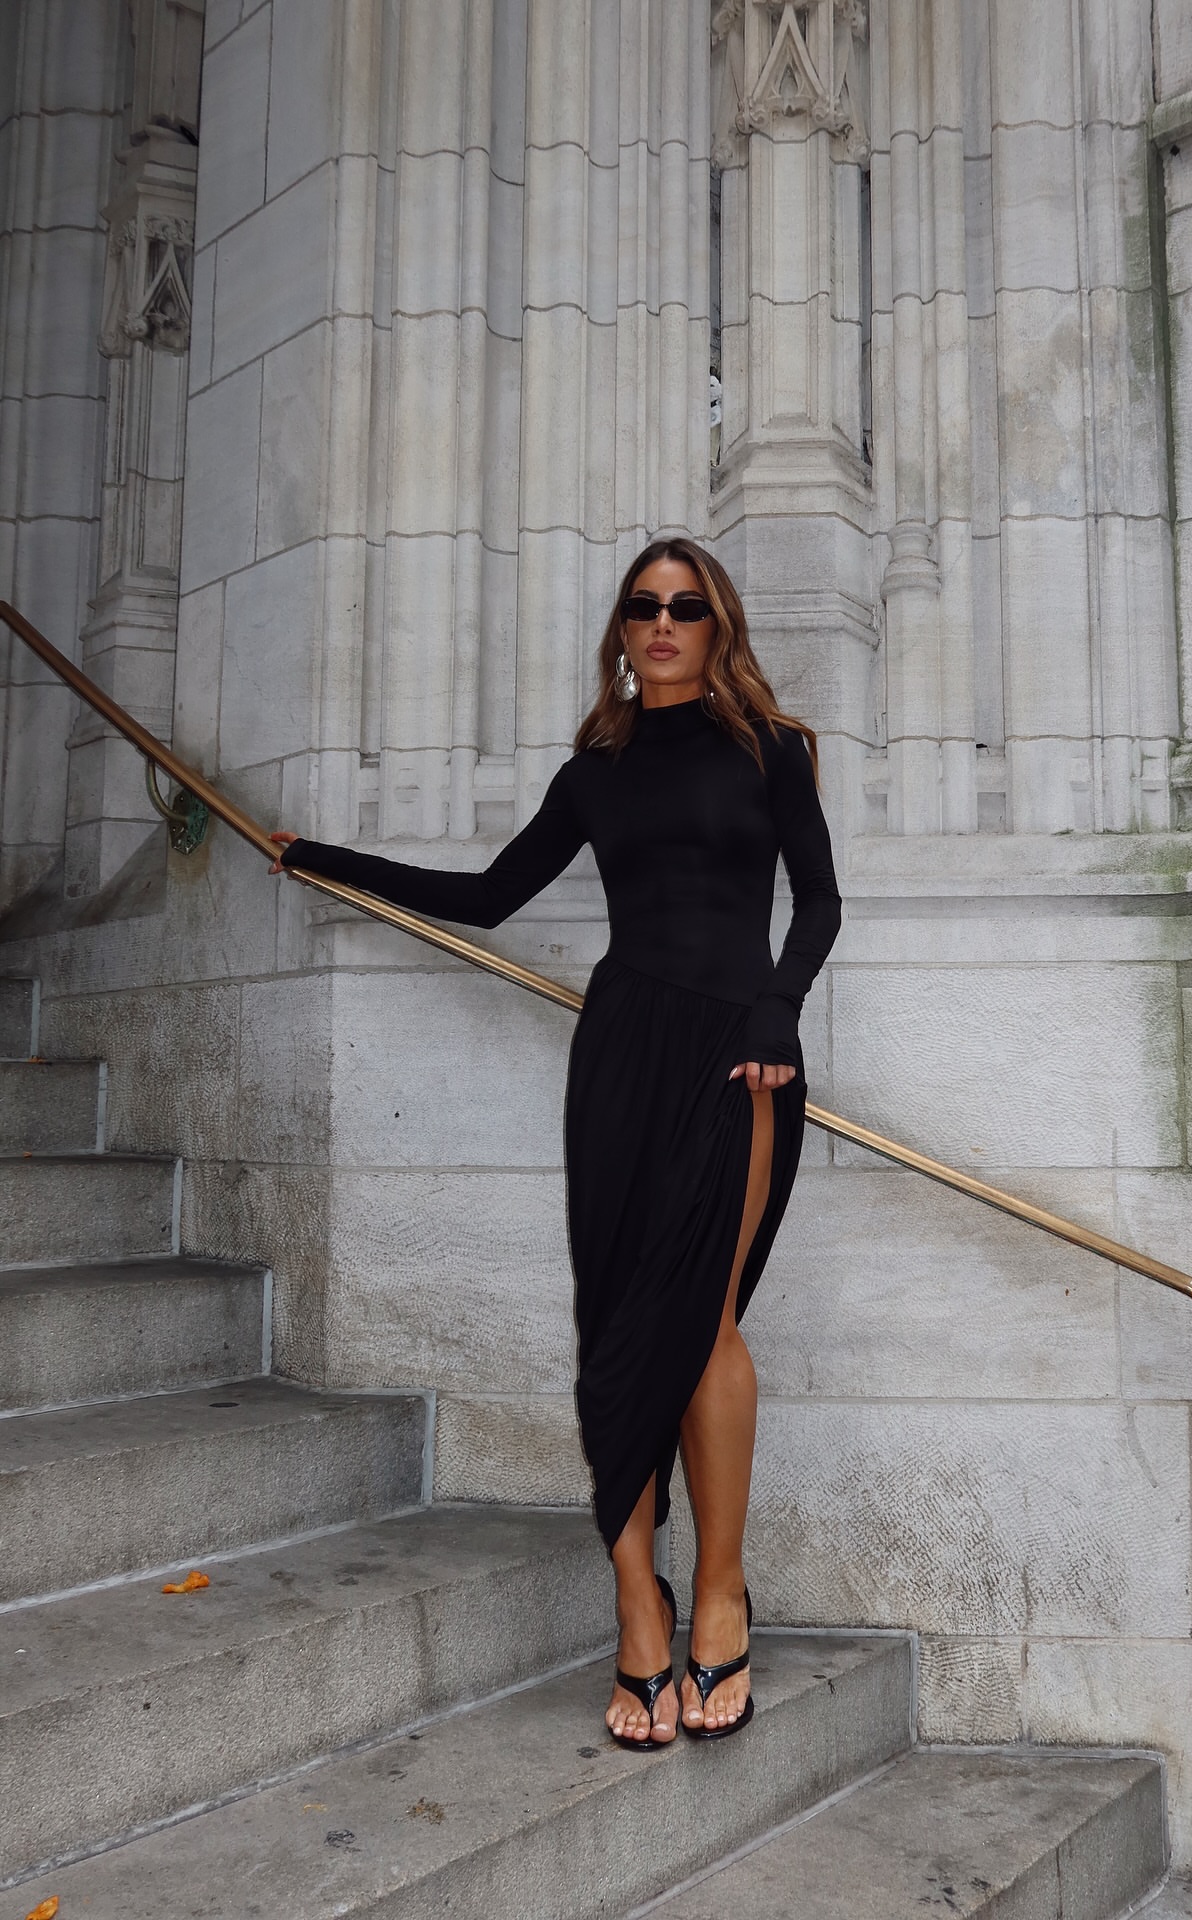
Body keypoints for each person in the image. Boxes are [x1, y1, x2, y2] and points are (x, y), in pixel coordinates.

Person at [269, 538, 841, 1748]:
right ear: (621, 633)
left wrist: (779, 1008)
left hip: (740, 1055)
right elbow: (487, 898)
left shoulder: (773, 751)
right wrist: (323, 860)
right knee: (616, 1335)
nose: (665, 623)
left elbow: (820, 899)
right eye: (644, 607)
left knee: (706, 1323)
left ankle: (722, 1594)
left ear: (719, 626)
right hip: (621, 1054)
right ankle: (639, 1605)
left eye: (687, 606)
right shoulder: (596, 773)